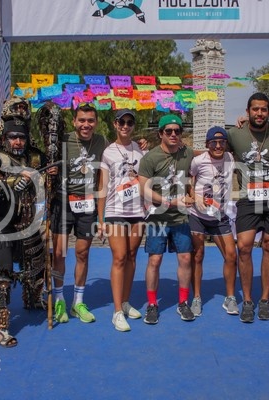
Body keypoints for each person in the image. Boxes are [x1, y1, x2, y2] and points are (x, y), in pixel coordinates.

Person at [0, 116, 48, 347]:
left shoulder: (33, 157)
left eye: (21, 137)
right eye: (13, 137)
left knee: (37, 264)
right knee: (3, 274)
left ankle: (33, 298)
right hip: (1, 225)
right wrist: (12, 183)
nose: (18, 142)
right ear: (5, 138)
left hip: (28, 221)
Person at [227, 92, 269, 322]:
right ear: (247, 112)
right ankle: (247, 300)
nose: (259, 113)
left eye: (263, 109)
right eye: (255, 109)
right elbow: (213, 150)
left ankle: (265, 300)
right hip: (248, 198)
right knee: (244, 247)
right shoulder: (235, 133)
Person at [50, 102, 109, 324]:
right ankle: (59, 299)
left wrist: (140, 144)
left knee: (82, 253)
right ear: (74, 121)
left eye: (90, 121)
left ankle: (78, 302)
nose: (86, 124)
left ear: (96, 123)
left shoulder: (102, 142)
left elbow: (120, 153)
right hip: (62, 202)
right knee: (59, 253)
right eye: (82, 120)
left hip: (87, 204)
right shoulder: (62, 140)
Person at [138, 114, 195, 324]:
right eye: (168, 131)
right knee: (155, 260)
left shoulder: (187, 153)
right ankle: (152, 304)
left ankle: (183, 302)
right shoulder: (150, 158)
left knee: (185, 259)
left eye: (177, 131)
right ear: (160, 133)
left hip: (180, 218)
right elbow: (143, 189)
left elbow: (211, 152)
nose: (173, 134)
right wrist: (169, 202)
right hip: (158, 218)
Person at [97, 109, 146, 331]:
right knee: (119, 257)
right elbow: (102, 187)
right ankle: (117, 311)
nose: (125, 126)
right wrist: (101, 219)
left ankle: (125, 302)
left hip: (137, 211)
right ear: (115, 124)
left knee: (132, 256)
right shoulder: (108, 152)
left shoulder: (140, 149)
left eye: (130, 122)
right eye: (122, 122)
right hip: (115, 210)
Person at [189, 126, 238, 317]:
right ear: (207, 144)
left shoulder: (231, 158)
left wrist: (241, 122)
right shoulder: (198, 161)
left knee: (231, 255)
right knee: (198, 255)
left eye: (222, 142)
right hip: (197, 215)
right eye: (213, 143)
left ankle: (230, 297)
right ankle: (196, 297)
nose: (218, 146)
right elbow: (189, 180)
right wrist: (194, 196)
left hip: (219, 216)